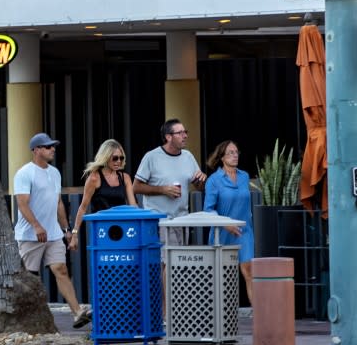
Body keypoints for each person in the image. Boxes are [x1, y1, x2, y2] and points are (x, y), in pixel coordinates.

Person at [14, 132, 91, 329]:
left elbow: (58, 203)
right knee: (30, 276)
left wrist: (66, 229)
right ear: (36, 150)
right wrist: (36, 225)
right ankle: (27, 319)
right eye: (48, 147)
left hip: (53, 233)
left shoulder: (55, 173)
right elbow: (22, 204)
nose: (52, 149)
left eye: (52, 146)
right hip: (30, 234)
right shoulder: (24, 173)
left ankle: (78, 313)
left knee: (61, 269)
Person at [133, 118, 207, 246]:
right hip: (160, 221)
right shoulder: (152, 157)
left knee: (180, 263)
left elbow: (200, 187)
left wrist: (202, 179)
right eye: (180, 133)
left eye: (185, 132)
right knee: (166, 262)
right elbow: (136, 187)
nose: (185, 136)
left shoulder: (188, 156)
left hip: (183, 221)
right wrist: (163, 190)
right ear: (168, 137)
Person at [204, 140, 254, 304]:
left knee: (249, 271)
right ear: (222, 158)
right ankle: (220, 312)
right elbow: (208, 209)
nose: (235, 156)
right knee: (222, 276)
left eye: (236, 152)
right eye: (230, 153)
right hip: (222, 233)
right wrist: (225, 224)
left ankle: (259, 313)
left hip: (244, 232)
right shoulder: (214, 180)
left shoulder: (244, 176)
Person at [69, 139, 137, 251]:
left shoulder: (125, 178)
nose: (119, 161)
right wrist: (75, 233)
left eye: (121, 158)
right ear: (105, 157)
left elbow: (133, 206)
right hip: (103, 230)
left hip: (123, 228)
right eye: (115, 158)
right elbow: (83, 207)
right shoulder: (94, 178)